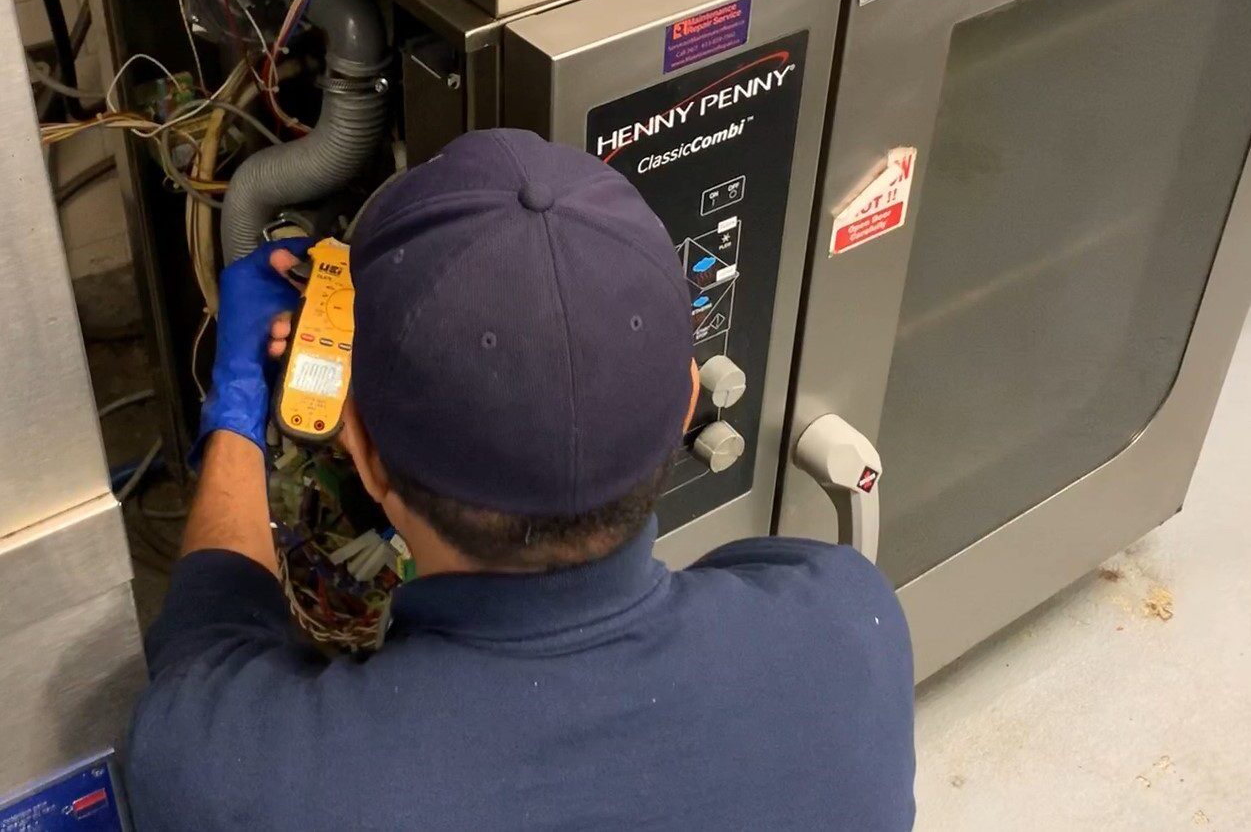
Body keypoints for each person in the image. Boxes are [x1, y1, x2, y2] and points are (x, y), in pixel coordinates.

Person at [125, 129, 915, 830]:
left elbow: (207, 643)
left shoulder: (233, 780)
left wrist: (234, 409)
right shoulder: (847, 624)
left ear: (359, 444)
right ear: (686, 402)